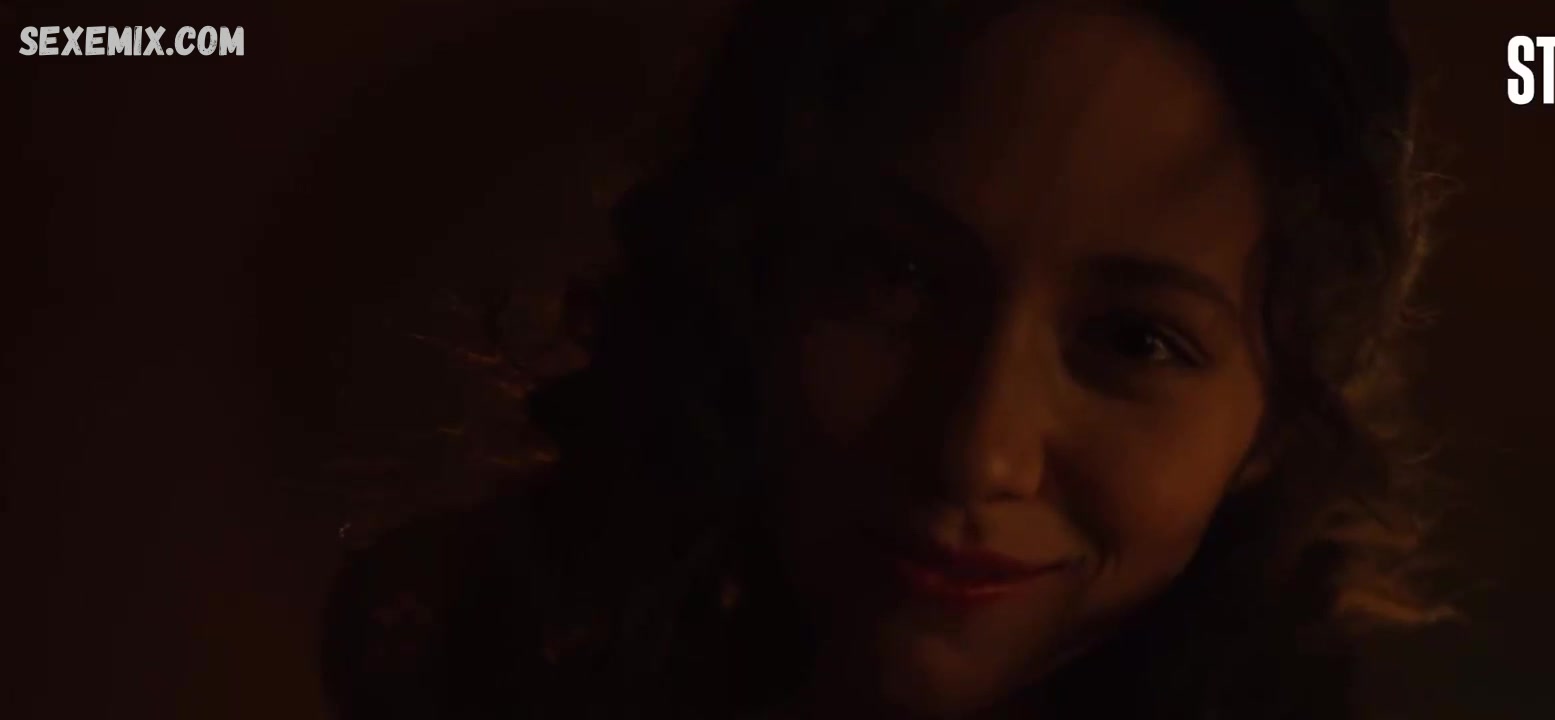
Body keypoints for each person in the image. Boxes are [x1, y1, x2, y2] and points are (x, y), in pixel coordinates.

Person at [322, 0, 1445, 717]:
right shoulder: (479, 660)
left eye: (1134, 340)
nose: (977, 451)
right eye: (896, 277)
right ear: (757, 265)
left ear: (1276, 423)